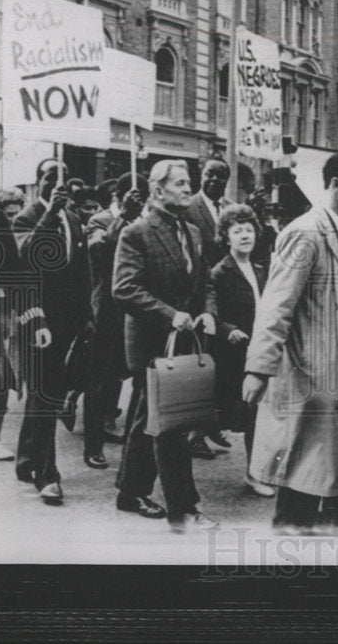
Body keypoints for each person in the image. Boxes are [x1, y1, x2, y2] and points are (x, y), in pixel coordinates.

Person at [242, 150, 338, 535]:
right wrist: (259, 368)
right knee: (306, 471)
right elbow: (276, 306)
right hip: (316, 372)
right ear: (334, 185)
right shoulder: (305, 232)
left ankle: (337, 539)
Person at [112, 159, 219, 533]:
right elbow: (124, 288)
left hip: (184, 339)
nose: (188, 188)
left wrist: (208, 313)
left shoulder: (192, 230)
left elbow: (205, 282)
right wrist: (170, 314)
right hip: (151, 342)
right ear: (157, 191)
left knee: (149, 418)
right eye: (180, 183)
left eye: (189, 182)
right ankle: (185, 507)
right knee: (171, 426)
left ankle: (129, 491)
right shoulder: (137, 232)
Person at [11, 160, 91, 504]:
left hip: (69, 322)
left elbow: (82, 271)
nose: (56, 183)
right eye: (48, 177)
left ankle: (27, 457)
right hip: (37, 321)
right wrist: (50, 212)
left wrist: (87, 315)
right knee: (46, 395)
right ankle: (47, 475)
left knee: (48, 394)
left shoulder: (73, 219)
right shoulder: (26, 218)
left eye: (61, 177)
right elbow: (28, 255)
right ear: (39, 181)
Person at [80, 172, 147, 469]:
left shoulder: (144, 223)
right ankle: (93, 445)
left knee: (135, 381)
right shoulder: (100, 220)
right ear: (118, 196)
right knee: (101, 382)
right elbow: (100, 251)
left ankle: (133, 448)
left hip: (137, 313)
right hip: (107, 312)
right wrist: (123, 218)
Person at [209, 204, 273, 497]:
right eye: (238, 231)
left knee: (254, 416)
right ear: (226, 237)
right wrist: (228, 329)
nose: (245, 235)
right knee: (217, 414)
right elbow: (211, 309)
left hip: (255, 351)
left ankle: (254, 473)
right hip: (232, 355)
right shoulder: (220, 271)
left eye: (249, 229)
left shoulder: (260, 269)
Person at [0, 190, 51, 461]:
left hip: (4, 316)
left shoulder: (3, 228)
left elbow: (17, 273)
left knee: (0, 378)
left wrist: (35, 318)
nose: (12, 220)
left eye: (16, 214)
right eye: (8, 214)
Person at [184, 158, 235, 457]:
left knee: (220, 367)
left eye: (220, 176)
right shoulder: (189, 207)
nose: (214, 181)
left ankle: (210, 425)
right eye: (208, 175)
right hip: (199, 296)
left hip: (224, 296)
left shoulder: (229, 208)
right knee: (200, 364)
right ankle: (194, 435)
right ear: (200, 177)